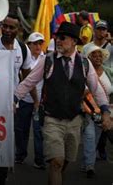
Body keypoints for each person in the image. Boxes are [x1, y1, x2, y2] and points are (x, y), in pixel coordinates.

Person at [14, 22, 111, 185]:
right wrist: (14, 100)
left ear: (74, 41)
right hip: (52, 119)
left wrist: (105, 112)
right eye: (57, 37)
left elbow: (97, 90)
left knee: (65, 161)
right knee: (56, 161)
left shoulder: (84, 63)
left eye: (62, 38)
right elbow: (28, 82)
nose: (58, 41)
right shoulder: (48, 61)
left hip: (74, 120)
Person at [0, 14, 36, 185]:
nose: (8, 30)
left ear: (19, 30)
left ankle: (0, 177)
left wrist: (37, 100)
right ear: (1, 26)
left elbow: (27, 77)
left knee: (6, 141)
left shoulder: (23, 49)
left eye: (12, 27)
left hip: (11, 105)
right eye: (5, 26)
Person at [81, 45, 112, 178]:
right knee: (89, 136)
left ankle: (87, 161)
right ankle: (90, 166)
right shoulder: (84, 71)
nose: (98, 57)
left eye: (100, 55)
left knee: (97, 138)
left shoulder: (109, 71)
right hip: (88, 110)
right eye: (94, 55)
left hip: (105, 111)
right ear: (88, 58)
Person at [19, 32, 46, 169]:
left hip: (39, 102)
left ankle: (39, 159)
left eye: (40, 43)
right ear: (28, 45)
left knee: (38, 131)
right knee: (22, 130)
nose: (38, 46)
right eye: (35, 43)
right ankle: (20, 155)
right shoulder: (23, 59)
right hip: (24, 100)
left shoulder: (46, 59)